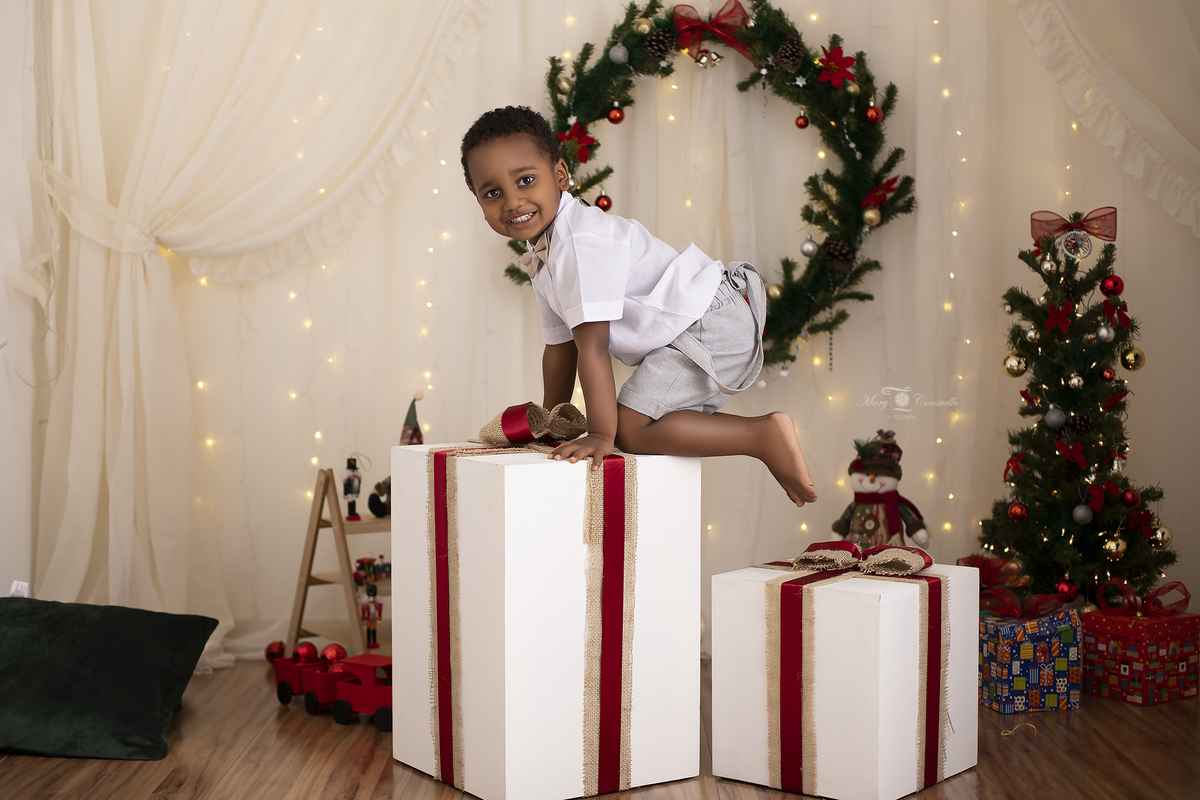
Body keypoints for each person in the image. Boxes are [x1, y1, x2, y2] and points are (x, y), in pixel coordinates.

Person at [460, 106, 817, 507]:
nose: (512, 201)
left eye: (526, 180)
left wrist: (600, 435)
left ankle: (761, 436)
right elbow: (560, 347)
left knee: (628, 430)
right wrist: (550, 422)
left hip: (708, 322)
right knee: (642, 421)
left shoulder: (579, 243)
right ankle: (759, 435)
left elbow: (591, 347)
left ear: (560, 175)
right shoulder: (545, 253)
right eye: (492, 193)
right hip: (689, 328)